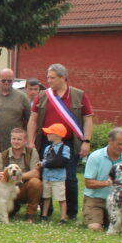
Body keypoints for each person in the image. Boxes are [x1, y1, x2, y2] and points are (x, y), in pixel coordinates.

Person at [26, 63, 94, 223]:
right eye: (48, 77)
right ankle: (45, 210)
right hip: (46, 143)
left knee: (70, 177)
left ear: (63, 78)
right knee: (44, 176)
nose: (48, 81)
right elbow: (33, 119)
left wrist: (86, 141)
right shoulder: (43, 96)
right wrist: (30, 141)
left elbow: (88, 119)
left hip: (70, 142)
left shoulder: (79, 95)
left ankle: (71, 212)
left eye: (52, 77)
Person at [81, 127, 122, 231]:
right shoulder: (95, 157)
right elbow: (88, 183)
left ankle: (109, 221)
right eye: (119, 144)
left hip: (118, 201)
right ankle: (95, 218)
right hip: (96, 199)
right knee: (95, 228)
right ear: (110, 141)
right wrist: (107, 183)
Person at [0, 127, 42, 221]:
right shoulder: (3, 155)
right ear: (10, 140)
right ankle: (12, 209)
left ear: (25, 141)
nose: (16, 141)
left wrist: (16, 176)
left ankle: (31, 215)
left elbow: (35, 173)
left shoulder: (32, 153)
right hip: (8, 190)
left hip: (23, 188)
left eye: (19, 139)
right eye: (14, 139)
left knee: (36, 182)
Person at [0, 68, 31, 155]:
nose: (6, 83)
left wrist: (27, 138)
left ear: (13, 81)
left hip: (15, 148)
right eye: (3, 80)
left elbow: (30, 120)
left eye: (9, 81)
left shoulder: (22, 97)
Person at [39, 123, 71, 222]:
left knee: (61, 197)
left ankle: (63, 217)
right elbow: (45, 160)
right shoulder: (48, 148)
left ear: (57, 135)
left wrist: (47, 163)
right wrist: (42, 163)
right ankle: (44, 215)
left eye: (50, 133)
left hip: (58, 177)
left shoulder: (65, 149)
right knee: (46, 196)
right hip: (47, 177)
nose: (47, 135)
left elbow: (63, 161)